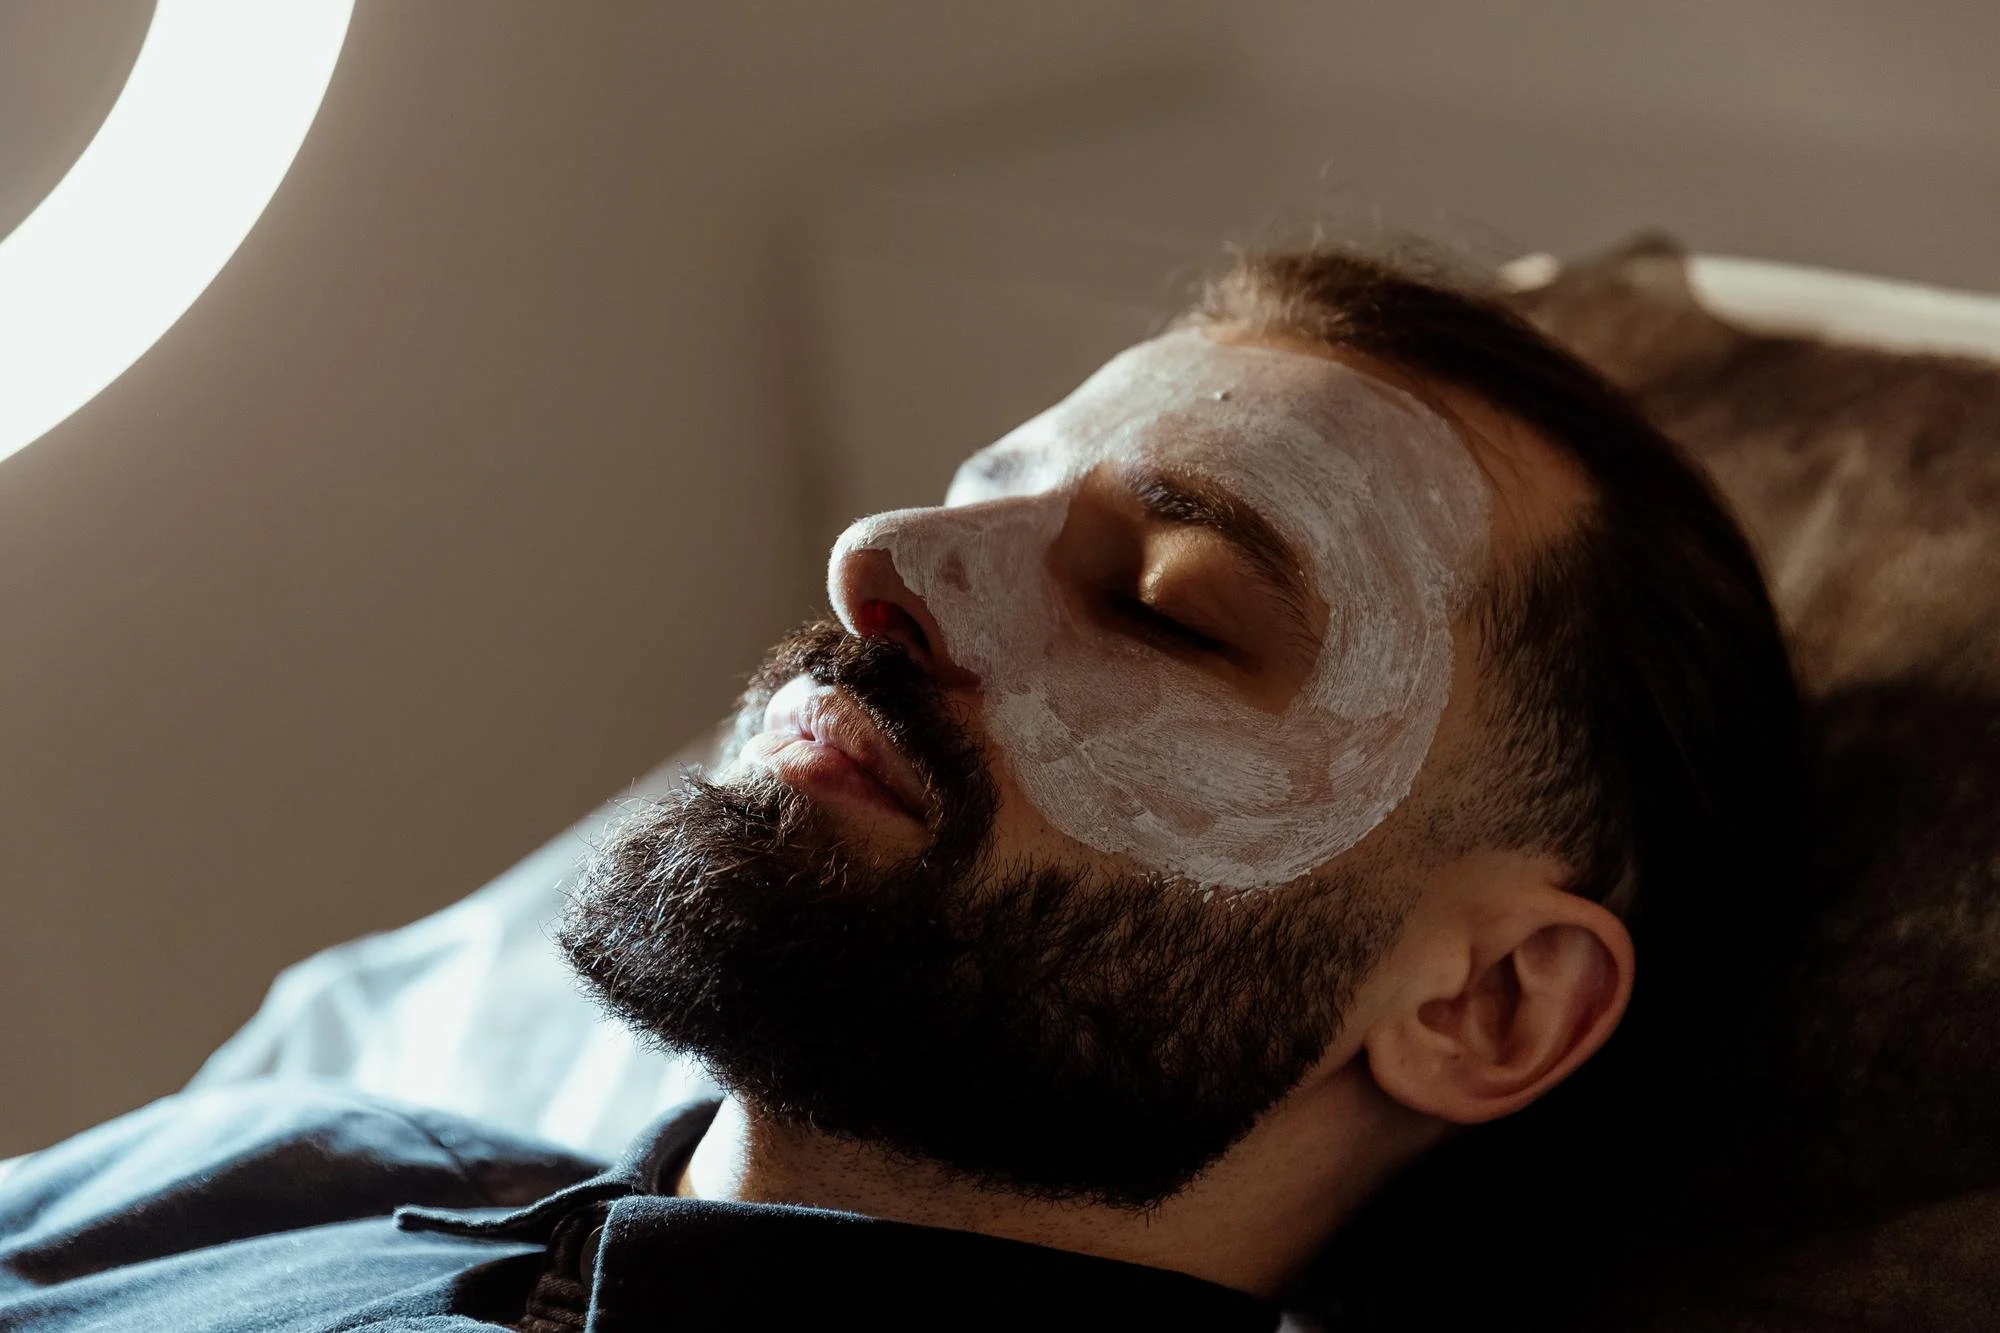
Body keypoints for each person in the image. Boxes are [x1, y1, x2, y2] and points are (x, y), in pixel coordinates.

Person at [0, 247, 1801, 1332]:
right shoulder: (285, 1159)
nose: (880, 557)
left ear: (1485, 1005)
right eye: (978, 495)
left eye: (1163, 608)